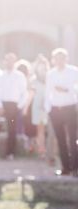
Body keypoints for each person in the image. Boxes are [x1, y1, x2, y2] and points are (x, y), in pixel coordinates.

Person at [45, 48, 78, 176]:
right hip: (55, 109)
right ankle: (66, 167)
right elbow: (48, 92)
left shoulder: (74, 72)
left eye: (62, 58)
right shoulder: (51, 74)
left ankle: (75, 167)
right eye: (57, 58)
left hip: (69, 107)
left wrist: (66, 90)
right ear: (54, 60)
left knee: (72, 138)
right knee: (60, 140)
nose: (59, 61)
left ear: (66, 59)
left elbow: (76, 89)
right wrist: (48, 109)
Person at [0, 52, 28, 160]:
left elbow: (24, 93)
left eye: (11, 60)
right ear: (5, 61)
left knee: (11, 129)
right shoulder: (0, 75)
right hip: (2, 103)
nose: (9, 62)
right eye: (7, 60)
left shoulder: (20, 76)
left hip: (14, 105)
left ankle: (10, 153)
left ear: (15, 62)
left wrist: (19, 106)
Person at [31, 55, 50, 159]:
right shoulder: (34, 80)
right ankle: (42, 151)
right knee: (40, 129)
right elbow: (31, 93)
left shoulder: (50, 77)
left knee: (51, 129)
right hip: (38, 106)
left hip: (49, 106)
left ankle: (52, 151)